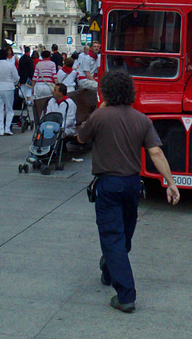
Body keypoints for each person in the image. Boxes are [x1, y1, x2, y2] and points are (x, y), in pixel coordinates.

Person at [77, 71, 180, 313]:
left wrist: (97, 110)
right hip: (133, 185)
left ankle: (125, 296)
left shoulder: (99, 116)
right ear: (130, 92)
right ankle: (108, 268)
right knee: (123, 237)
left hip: (108, 185)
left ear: (106, 92)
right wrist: (171, 182)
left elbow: (81, 138)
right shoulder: (142, 119)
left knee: (113, 237)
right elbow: (156, 153)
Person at [0, 49, 19, 135]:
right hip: (9, 87)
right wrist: (13, 83)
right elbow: (16, 78)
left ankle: (1, 129)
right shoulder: (10, 65)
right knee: (9, 109)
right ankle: (7, 128)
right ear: (6, 55)